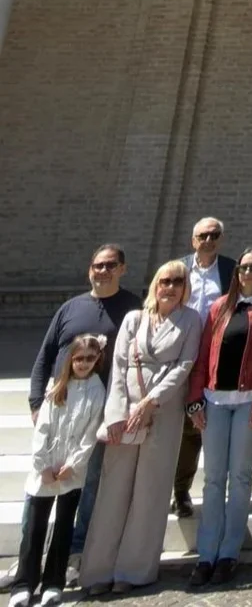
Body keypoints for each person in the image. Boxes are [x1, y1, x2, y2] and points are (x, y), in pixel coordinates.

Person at [79, 260, 203, 595]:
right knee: (113, 490)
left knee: (150, 490)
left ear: (185, 288)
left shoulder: (191, 320)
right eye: (165, 281)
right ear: (156, 285)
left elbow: (184, 365)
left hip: (164, 410)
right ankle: (98, 569)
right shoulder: (134, 318)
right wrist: (117, 414)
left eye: (177, 282)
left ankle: (133, 570)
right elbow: (119, 366)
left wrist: (152, 401)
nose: (170, 287)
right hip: (125, 411)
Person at [25, 244, 140, 580]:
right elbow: (46, 354)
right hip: (58, 407)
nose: (102, 271)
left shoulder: (132, 308)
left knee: (85, 485)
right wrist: (36, 402)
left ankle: (74, 552)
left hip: (99, 411)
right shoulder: (70, 307)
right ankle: (29, 559)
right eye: (97, 265)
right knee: (41, 481)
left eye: (110, 265)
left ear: (122, 268)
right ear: (90, 268)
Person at [185, 248, 252, 587]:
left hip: (247, 402)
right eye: (242, 267)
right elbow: (202, 356)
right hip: (214, 401)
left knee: (239, 478)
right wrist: (194, 401)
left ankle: (228, 553)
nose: (247, 273)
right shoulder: (218, 307)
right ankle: (206, 554)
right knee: (212, 479)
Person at [10, 335, 107, 607]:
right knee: (35, 526)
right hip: (46, 467)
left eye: (90, 358)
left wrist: (73, 464)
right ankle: (24, 583)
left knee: (64, 525)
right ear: (70, 359)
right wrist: (42, 465)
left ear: (97, 359)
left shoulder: (97, 390)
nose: (84, 364)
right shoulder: (58, 386)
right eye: (79, 359)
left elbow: (90, 434)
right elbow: (43, 427)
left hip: (71, 471)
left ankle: (54, 582)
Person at [174, 217, 236, 519]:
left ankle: (192, 492)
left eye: (214, 235)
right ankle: (177, 489)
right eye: (203, 236)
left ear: (221, 239)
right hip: (178, 356)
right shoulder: (179, 270)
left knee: (200, 428)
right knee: (179, 430)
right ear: (193, 240)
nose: (208, 240)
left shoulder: (231, 270)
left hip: (215, 358)